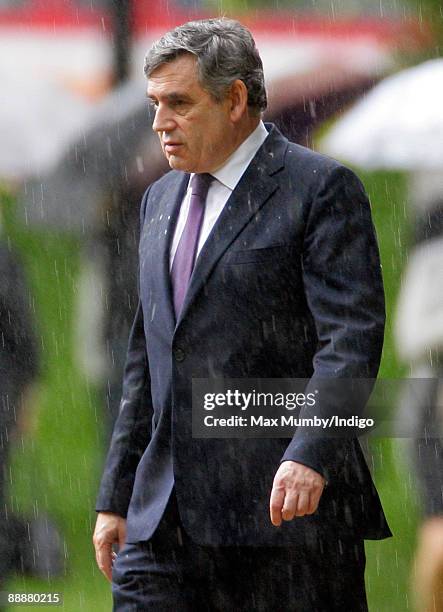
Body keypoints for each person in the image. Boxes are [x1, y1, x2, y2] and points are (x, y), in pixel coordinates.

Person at [93, 17, 391, 611]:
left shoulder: (319, 188)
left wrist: (311, 454)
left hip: (283, 518)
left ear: (234, 100)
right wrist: (117, 494)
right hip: (163, 527)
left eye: (178, 103)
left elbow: (350, 339)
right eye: (155, 103)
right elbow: (147, 357)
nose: (159, 123)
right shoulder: (159, 198)